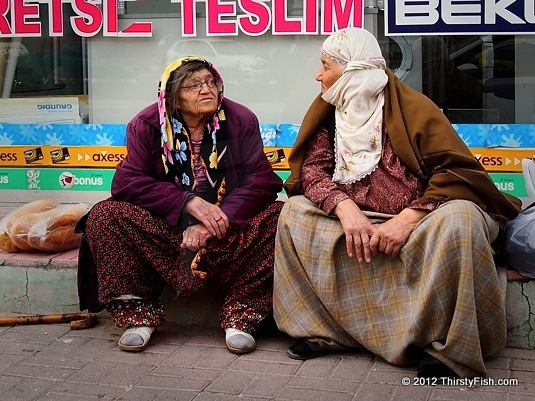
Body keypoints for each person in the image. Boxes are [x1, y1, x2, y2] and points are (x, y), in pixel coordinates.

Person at [273, 28, 522, 379]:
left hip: (419, 217)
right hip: (356, 218)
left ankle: (449, 348)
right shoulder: (328, 110)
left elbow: (457, 172)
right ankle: (329, 332)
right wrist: (346, 210)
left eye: (325, 65)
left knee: (462, 219)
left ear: (351, 69)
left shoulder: (412, 108)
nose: (318, 75)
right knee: (294, 214)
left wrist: (408, 218)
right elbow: (312, 172)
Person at [76, 56, 284, 354]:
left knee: (279, 216)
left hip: (226, 229)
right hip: (169, 233)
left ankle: (242, 316)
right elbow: (127, 183)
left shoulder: (240, 119)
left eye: (211, 82)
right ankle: (139, 316)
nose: (206, 90)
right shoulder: (147, 124)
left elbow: (262, 180)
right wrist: (187, 202)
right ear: (172, 95)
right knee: (105, 216)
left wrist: (218, 217)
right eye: (194, 85)